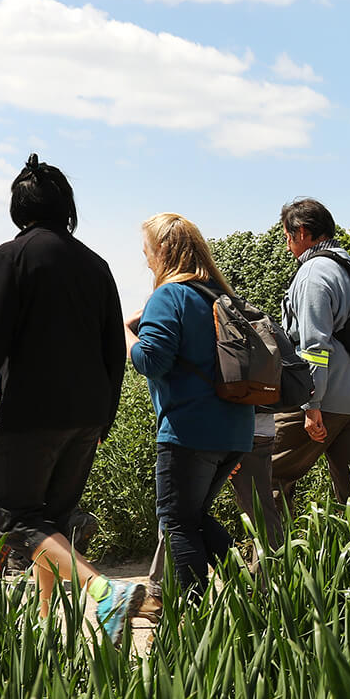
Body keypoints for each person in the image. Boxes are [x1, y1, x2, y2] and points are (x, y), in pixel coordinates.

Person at [0, 154, 144, 639]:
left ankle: (104, 592)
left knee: (16, 520)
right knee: (51, 521)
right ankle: (47, 623)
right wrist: (104, 418)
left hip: (32, 413)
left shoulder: (9, 258)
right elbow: (114, 348)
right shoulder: (96, 265)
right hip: (89, 414)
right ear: (66, 206)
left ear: (18, 207)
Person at [125, 214, 254, 602]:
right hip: (235, 428)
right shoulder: (220, 295)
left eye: (147, 249)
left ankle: (193, 618)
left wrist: (123, 330)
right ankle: (251, 598)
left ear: (164, 251)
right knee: (193, 517)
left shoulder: (169, 295)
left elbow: (152, 360)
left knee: (177, 521)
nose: (145, 257)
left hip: (189, 429)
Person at [268, 198, 350, 536]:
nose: (287, 245)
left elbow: (315, 346)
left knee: (265, 472)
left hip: (324, 399)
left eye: (287, 236)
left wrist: (310, 405)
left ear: (302, 233)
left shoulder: (314, 272)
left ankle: (268, 573)